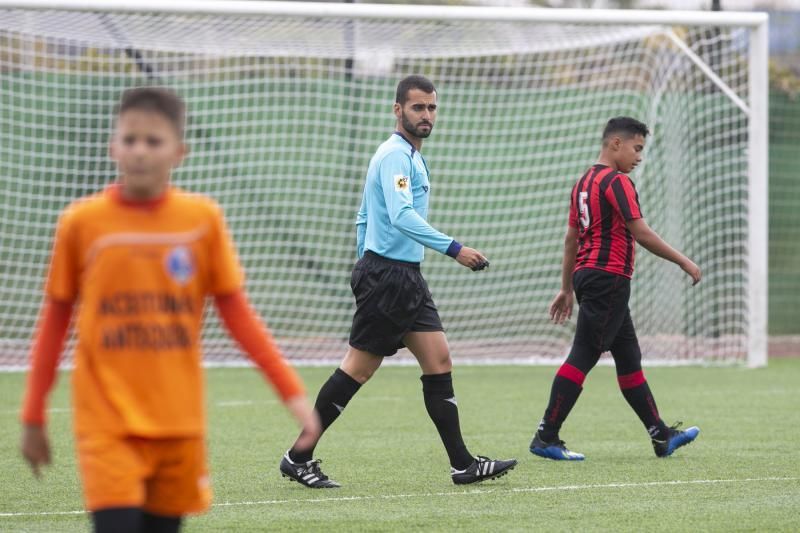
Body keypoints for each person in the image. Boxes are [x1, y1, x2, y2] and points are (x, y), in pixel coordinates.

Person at [19, 87, 320, 532]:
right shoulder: (81, 223)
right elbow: (54, 323)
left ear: (179, 152)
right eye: (130, 139)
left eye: (153, 141)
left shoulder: (201, 221)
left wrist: (292, 394)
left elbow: (239, 318)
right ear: (112, 146)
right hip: (107, 422)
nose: (140, 151)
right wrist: (33, 415)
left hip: (176, 423)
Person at [279, 75, 517, 488]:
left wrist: (363, 259)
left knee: (439, 359)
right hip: (389, 277)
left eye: (432, 108)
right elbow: (400, 216)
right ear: (397, 110)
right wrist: (453, 248)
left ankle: (463, 464)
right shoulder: (394, 155)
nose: (426, 115)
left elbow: (364, 216)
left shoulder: (409, 156)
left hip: (403, 276)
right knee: (357, 369)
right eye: (417, 107)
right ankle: (298, 456)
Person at [529, 116, 701, 461]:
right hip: (608, 278)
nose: (639, 157)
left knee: (628, 357)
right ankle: (546, 436)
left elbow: (571, 239)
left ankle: (660, 435)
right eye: (637, 148)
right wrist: (683, 260)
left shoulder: (582, 182)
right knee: (584, 354)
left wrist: (566, 288)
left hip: (590, 276)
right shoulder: (616, 182)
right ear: (616, 144)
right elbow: (641, 232)